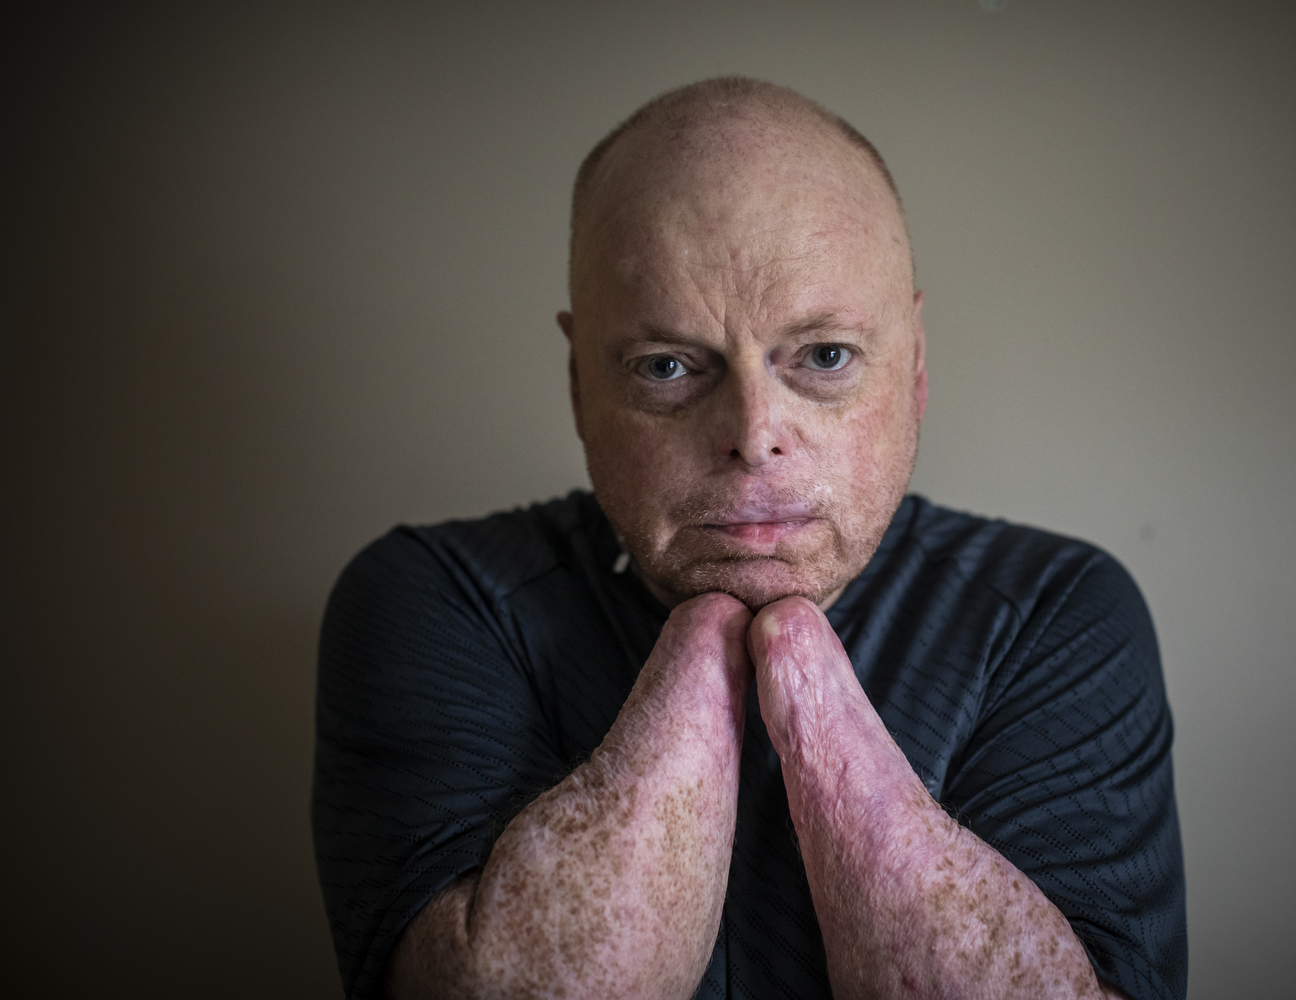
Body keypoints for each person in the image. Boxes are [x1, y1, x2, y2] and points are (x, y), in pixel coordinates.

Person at [314, 77, 1185, 1000]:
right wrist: (707, 640)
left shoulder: (1054, 611)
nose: (753, 432)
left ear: (916, 366)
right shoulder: (439, 597)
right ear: (579, 385)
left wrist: (798, 669)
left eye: (824, 356)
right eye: (667, 367)